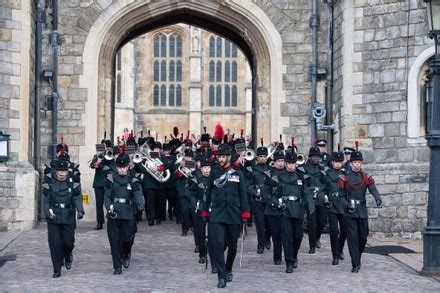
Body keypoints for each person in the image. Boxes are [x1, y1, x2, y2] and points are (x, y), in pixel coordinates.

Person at [203, 143, 250, 288]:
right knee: (217, 245)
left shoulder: (238, 174)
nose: (221, 159)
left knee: (233, 246)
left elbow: (243, 195)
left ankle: (228, 268)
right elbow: (208, 194)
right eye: (219, 157)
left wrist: (245, 213)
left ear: (229, 157)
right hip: (217, 214)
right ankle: (221, 276)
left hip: (233, 214)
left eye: (223, 157)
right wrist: (205, 211)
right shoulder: (214, 174)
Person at [339, 146, 382, 273]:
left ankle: (358, 256)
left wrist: (377, 199)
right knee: (352, 238)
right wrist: (347, 204)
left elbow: (372, 188)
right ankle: (355, 263)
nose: (357, 164)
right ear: (351, 163)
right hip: (350, 212)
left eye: (359, 162)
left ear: (361, 163)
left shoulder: (365, 177)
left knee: (363, 237)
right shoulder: (345, 177)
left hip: (362, 211)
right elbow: (340, 196)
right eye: (355, 162)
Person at [43, 159, 84, 278]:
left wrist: (80, 210)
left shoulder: (73, 184)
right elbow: (46, 202)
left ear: (67, 172)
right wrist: (47, 213)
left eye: (64, 171)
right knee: (55, 243)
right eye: (60, 171)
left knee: (68, 242)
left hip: (68, 215)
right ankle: (56, 269)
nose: (62, 173)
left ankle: (68, 254)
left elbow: (77, 198)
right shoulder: (49, 184)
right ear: (56, 172)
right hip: (54, 217)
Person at [274, 151, 314, 273]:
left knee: (298, 237)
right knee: (286, 237)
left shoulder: (301, 177)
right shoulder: (279, 178)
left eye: (293, 163)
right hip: (285, 210)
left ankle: (294, 255)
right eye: (289, 163)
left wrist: (311, 206)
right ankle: (289, 262)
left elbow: (306, 193)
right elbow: (274, 194)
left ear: (296, 164)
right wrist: (277, 203)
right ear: (286, 164)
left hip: (298, 210)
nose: (291, 166)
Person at [104, 153, 145, 275]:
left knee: (128, 238)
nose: (122, 169)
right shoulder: (110, 179)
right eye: (120, 167)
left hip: (128, 212)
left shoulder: (133, 180)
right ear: (117, 167)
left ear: (128, 167)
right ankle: (117, 266)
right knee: (114, 241)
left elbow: (138, 194)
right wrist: (108, 208)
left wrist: (140, 204)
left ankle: (126, 253)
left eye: (124, 167)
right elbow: (106, 196)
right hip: (114, 212)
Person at [247, 143, 271, 254]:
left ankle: (267, 238)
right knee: (260, 223)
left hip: (269, 199)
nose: (262, 158)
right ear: (257, 157)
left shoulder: (271, 169)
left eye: (264, 156)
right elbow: (248, 185)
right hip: (257, 200)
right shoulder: (252, 169)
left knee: (269, 223)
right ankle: (260, 244)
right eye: (260, 156)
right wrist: (253, 192)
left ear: (267, 157)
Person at [263, 150, 286, 265]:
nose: (280, 163)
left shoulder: (290, 173)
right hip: (272, 209)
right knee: (276, 233)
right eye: (278, 161)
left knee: (286, 234)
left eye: (282, 161)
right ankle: (277, 257)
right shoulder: (269, 174)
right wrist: (273, 201)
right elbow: (265, 191)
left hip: (286, 208)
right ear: (274, 162)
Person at [303, 146, 327, 254]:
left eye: (318, 157)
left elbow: (326, 182)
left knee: (322, 221)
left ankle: (317, 237)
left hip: (320, 197)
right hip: (310, 197)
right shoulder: (304, 168)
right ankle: (312, 245)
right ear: (310, 157)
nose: (316, 159)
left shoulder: (322, 168)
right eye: (314, 157)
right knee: (312, 223)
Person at [325, 151, 347, 265]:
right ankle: (335, 255)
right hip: (332, 204)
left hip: (343, 205)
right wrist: (325, 199)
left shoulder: (346, 174)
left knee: (345, 230)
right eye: (336, 162)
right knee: (334, 231)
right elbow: (323, 189)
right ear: (332, 162)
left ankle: (340, 248)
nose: (338, 164)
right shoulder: (327, 174)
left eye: (339, 162)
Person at [90, 139, 115, 230]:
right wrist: (99, 160)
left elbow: (114, 168)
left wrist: (104, 166)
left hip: (109, 181)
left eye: (108, 147)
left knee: (110, 201)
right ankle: (100, 222)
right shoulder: (98, 155)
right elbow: (92, 165)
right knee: (99, 203)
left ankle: (112, 218)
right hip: (99, 182)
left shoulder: (112, 155)